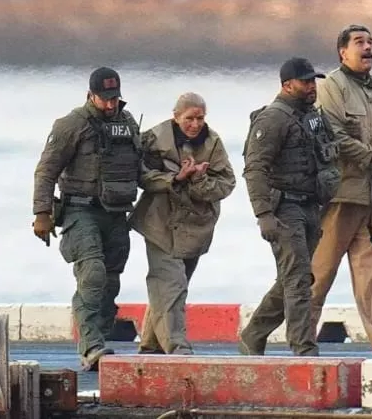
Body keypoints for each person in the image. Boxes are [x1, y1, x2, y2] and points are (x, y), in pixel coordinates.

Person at [309, 24, 372, 358]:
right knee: (319, 272)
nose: (367, 48)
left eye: (370, 42)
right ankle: (303, 340)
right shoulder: (331, 87)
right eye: (359, 42)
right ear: (343, 52)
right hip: (340, 196)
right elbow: (334, 135)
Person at [32, 67, 142, 371]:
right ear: (90, 95)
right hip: (80, 210)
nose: (110, 104)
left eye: (114, 98)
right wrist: (42, 213)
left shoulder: (126, 123)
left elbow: (139, 164)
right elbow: (46, 170)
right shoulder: (72, 125)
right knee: (92, 273)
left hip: (116, 212)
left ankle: (100, 338)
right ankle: (91, 346)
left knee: (111, 279)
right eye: (104, 98)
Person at [239, 57, 341, 356]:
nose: (312, 87)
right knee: (297, 279)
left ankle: (253, 334)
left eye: (313, 81)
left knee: (293, 278)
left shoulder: (312, 116)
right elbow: (255, 169)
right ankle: (303, 349)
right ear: (287, 85)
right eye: (305, 82)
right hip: (284, 209)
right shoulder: (273, 119)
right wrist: (263, 214)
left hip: (310, 206)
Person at [128, 92, 236, 355]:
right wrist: (175, 178)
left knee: (174, 286)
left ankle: (151, 345)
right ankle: (177, 348)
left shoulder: (212, 143)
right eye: (189, 118)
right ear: (176, 117)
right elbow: (140, 175)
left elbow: (226, 183)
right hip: (160, 223)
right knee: (171, 284)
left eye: (200, 118)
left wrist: (198, 179)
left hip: (195, 226)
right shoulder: (154, 139)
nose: (195, 124)